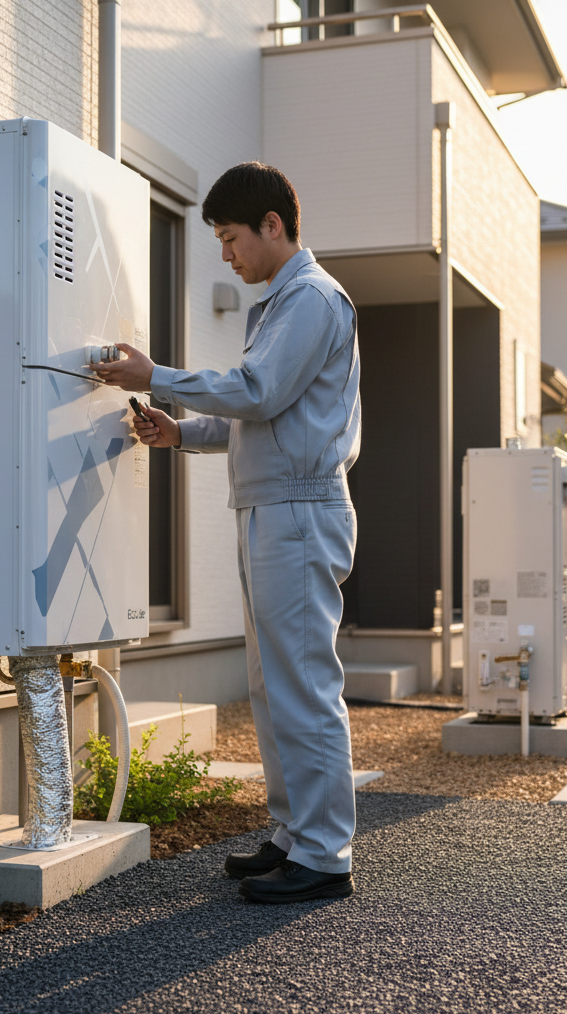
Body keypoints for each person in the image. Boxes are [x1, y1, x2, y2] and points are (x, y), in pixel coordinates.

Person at [88, 162, 360, 903]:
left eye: (231, 237)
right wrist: (181, 432)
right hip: (275, 508)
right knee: (274, 685)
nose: (226, 254)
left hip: (297, 510)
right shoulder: (283, 304)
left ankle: (325, 855)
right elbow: (260, 415)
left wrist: (158, 376)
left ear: (273, 225)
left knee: (303, 685)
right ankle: (295, 835)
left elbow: (257, 392)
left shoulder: (311, 299)